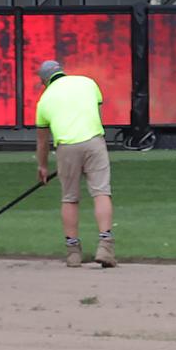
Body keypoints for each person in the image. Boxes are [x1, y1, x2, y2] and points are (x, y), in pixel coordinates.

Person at [34, 60, 116, 268]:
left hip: (66, 147)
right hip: (94, 141)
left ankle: (73, 253)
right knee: (101, 192)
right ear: (62, 71)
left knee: (69, 198)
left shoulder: (44, 100)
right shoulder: (87, 83)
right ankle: (105, 245)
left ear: (44, 81)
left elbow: (43, 141)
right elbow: (95, 112)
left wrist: (42, 166)